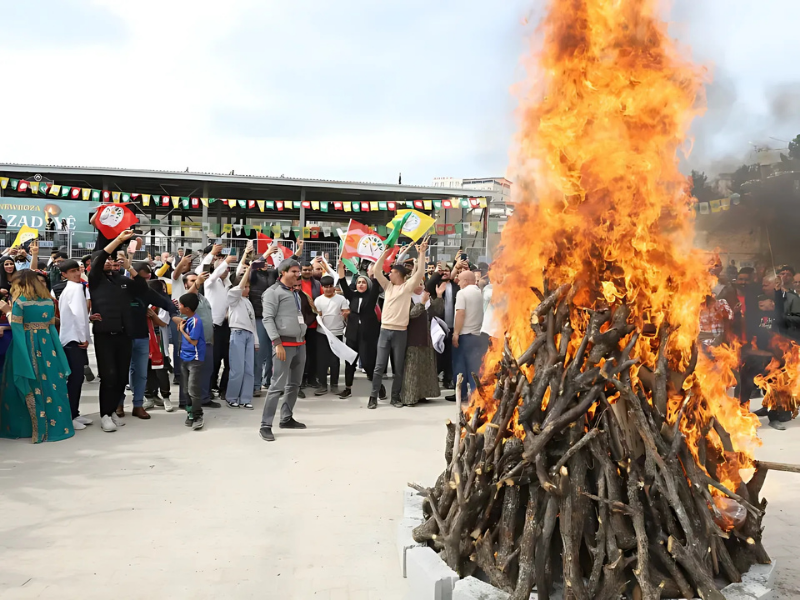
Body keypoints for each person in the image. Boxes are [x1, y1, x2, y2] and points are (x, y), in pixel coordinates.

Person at [0, 270, 73, 442]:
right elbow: (52, 329)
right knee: (51, 384)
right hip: (48, 347)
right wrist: (59, 353)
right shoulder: (48, 301)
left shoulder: (20, 302)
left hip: (26, 345)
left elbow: (17, 329)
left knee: (25, 384)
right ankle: (56, 426)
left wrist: (8, 311)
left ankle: (32, 429)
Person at [89, 230, 148, 432]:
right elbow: (100, 258)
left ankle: (113, 410)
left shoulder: (121, 280)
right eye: (107, 260)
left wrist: (130, 267)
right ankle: (104, 414)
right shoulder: (95, 280)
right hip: (105, 334)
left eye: (114, 261)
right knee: (109, 375)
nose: (110, 263)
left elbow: (142, 288)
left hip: (125, 334)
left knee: (122, 377)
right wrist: (119, 240)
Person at [368, 239, 428, 409]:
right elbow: (377, 270)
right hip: (385, 331)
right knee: (379, 366)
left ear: (400, 275)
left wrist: (421, 253)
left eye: (392, 272)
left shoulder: (407, 287)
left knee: (398, 368)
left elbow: (420, 273)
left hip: (401, 332)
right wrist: (384, 254)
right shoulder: (387, 287)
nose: (389, 274)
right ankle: (373, 397)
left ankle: (395, 397)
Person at [259, 258, 308, 442]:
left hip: (300, 344)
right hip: (283, 345)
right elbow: (267, 319)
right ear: (283, 273)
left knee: (294, 384)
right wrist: (277, 342)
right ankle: (265, 424)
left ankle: (286, 418)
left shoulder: (294, 292)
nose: (298, 274)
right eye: (294, 271)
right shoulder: (272, 293)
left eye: (299, 271)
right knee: (276, 386)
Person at [57, 259, 93, 431]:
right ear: (64, 274)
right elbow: (79, 315)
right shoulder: (75, 288)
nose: (77, 274)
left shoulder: (70, 289)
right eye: (72, 271)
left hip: (72, 338)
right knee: (74, 379)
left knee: (76, 379)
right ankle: (69, 416)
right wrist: (83, 338)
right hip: (73, 340)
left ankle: (75, 413)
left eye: (78, 270)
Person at [337, 263, 382, 399]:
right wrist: (340, 269)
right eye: (358, 282)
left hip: (368, 335)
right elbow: (343, 284)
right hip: (352, 334)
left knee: (369, 364)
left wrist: (374, 272)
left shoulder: (372, 295)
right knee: (350, 362)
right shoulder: (352, 296)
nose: (361, 284)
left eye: (363, 282)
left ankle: (379, 387)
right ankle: (348, 388)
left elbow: (375, 283)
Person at [198, 245, 236, 400]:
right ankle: (209, 388)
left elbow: (238, 272)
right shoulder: (209, 282)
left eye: (226, 267)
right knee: (213, 360)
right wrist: (221, 259)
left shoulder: (226, 284)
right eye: (221, 266)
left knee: (227, 358)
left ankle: (223, 389)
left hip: (226, 325)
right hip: (212, 326)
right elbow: (209, 273)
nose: (225, 269)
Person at [400, 280, 439, 406]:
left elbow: (438, 311)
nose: (419, 286)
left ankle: (423, 394)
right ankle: (410, 397)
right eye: (416, 284)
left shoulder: (428, 298)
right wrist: (421, 303)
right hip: (413, 336)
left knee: (425, 366)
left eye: (421, 284)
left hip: (427, 336)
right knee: (412, 368)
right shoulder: (407, 298)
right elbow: (411, 314)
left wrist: (439, 297)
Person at [226, 261, 258, 409]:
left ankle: (245, 398)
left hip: (249, 335)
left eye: (249, 287)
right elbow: (238, 288)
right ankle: (232, 397)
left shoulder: (248, 302)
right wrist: (248, 271)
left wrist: (256, 340)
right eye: (246, 286)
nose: (247, 289)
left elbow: (253, 323)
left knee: (249, 369)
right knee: (237, 369)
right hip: (237, 334)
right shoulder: (233, 298)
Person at [449, 270, 485, 402]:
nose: (458, 283)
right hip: (477, 335)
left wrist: (455, 334)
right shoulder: (479, 293)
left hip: (464, 335)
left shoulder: (462, 293)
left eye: (459, 280)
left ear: (465, 281)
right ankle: (476, 395)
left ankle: (461, 393)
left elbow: (460, 314)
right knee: (475, 367)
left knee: (460, 366)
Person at [426, 261, 461, 389]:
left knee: (450, 355)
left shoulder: (456, 286)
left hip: (452, 326)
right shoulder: (435, 286)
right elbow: (428, 285)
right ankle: (433, 379)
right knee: (437, 354)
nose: (445, 272)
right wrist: (437, 273)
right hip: (438, 326)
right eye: (443, 271)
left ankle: (448, 379)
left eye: (447, 270)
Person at [314, 275, 350, 396]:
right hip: (322, 333)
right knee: (321, 360)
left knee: (335, 360)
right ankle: (323, 385)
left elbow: (346, 312)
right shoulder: (318, 300)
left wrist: (346, 314)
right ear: (322, 287)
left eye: (330, 287)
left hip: (337, 333)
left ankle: (334, 385)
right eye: (326, 287)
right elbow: (317, 314)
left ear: (334, 287)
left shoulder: (341, 299)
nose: (328, 289)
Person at [144, 279, 174, 412]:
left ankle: (166, 397)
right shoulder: (144, 302)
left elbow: (162, 323)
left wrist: (152, 316)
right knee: (147, 369)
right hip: (145, 340)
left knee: (161, 370)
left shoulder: (163, 305)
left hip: (159, 341)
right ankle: (150, 396)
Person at [178, 293, 206, 431]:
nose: (179, 306)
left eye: (180, 304)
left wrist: (182, 331)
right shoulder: (187, 319)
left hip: (194, 359)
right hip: (184, 358)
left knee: (193, 389)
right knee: (185, 389)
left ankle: (198, 415)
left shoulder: (196, 321)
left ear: (187, 308)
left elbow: (193, 341)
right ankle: (190, 412)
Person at [300, 260, 322, 388]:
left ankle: (312, 378)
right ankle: (301, 379)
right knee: (301, 354)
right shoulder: (296, 283)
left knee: (313, 353)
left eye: (309, 270)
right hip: (300, 323)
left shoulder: (317, 284)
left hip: (314, 324)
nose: (307, 272)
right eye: (305, 270)